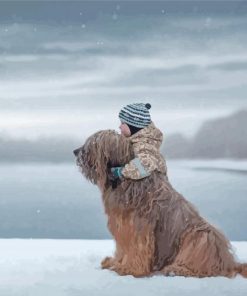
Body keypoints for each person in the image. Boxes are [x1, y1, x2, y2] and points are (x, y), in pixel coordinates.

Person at [110, 103, 167, 180]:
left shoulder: (143, 145)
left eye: (123, 123)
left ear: (133, 126)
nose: (119, 126)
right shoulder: (139, 142)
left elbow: (144, 167)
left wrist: (121, 171)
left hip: (150, 188)